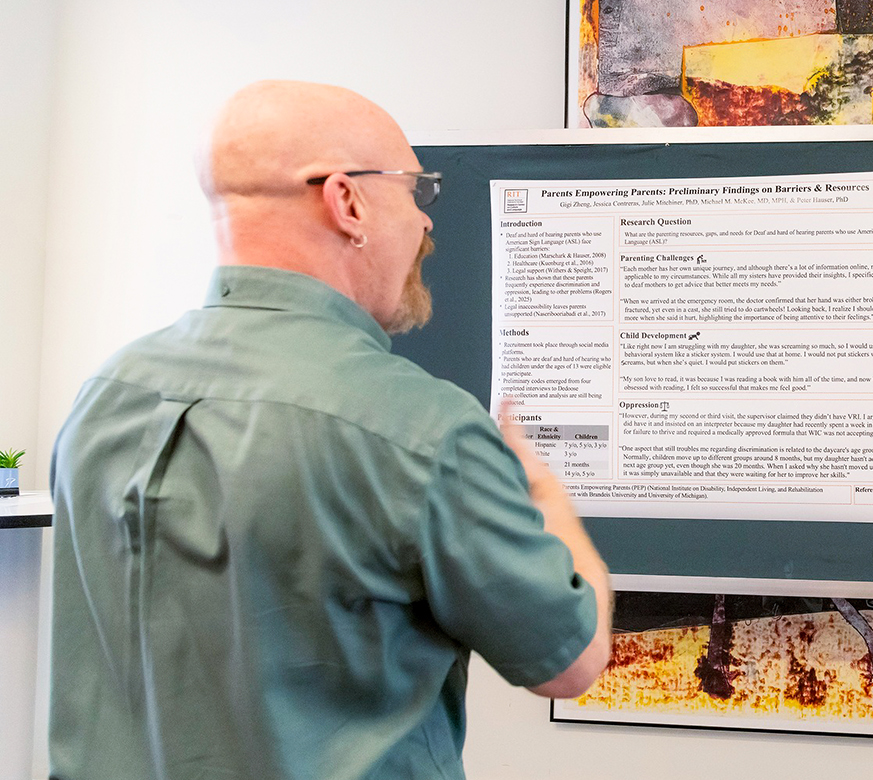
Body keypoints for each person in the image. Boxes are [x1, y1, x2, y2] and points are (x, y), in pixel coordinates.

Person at [48, 80, 612, 780]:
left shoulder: (107, 393)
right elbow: (570, 659)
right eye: (416, 192)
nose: (426, 224)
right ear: (347, 201)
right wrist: (544, 495)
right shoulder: (419, 428)